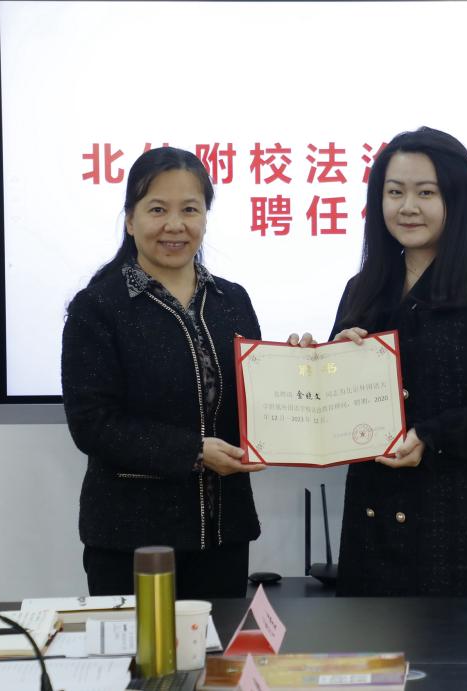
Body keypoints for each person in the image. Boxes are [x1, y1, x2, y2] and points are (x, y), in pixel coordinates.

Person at [328, 126, 467, 597]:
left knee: (460, 645)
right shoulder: (362, 289)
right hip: (372, 520)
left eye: (426, 192)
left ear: (457, 199)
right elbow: (335, 414)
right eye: (394, 192)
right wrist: (328, 362)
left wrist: (431, 436)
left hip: (458, 524)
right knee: (369, 643)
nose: (408, 207)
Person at [61, 146, 267, 599]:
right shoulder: (99, 308)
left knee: (217, 648)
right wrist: (193, 451)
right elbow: (93, 425)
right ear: (130, 220)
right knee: (140, 649)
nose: (175, 224)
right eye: (157, 209)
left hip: (223, 535)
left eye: (190, 209)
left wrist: (302, 369)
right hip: (132, 541)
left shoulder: (233, 301)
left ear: (205, 218)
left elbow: (258, 399)